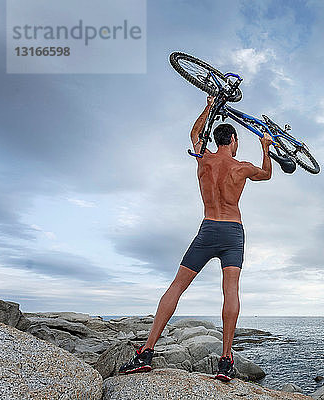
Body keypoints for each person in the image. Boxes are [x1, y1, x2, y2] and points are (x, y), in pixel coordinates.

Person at [119, 96, 273, 381]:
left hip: (208, 229)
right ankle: (226, 361)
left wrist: (209, 105)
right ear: (234, 140)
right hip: (232, 231)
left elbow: (193, 133)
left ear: (216, 140)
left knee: (177, 286)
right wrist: (266, 147)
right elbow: (266, 174)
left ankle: (146, 352)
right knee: (231, 290)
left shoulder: (203, 158)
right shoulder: (242, 167)